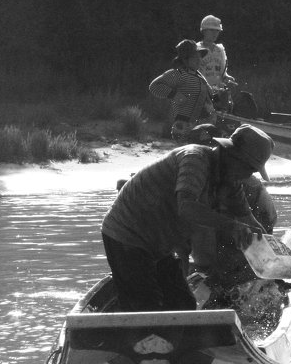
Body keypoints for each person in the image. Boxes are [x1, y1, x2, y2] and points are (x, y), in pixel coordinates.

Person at [100, 124, 274, 311]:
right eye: (251, 169)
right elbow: (187, 207)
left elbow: (249, 222)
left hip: (158, 245)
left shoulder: (231, 181)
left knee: (183, 304)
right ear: (234, 157)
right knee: (146, 306)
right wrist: (232, 226)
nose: (250, 176)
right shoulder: (195, 159)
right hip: (127, 235)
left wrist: (273, 255)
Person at [149, 39, 216, 143]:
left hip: (200, 125)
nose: (199, 60)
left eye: (200, 56)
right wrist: (175, 95)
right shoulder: (179, 74)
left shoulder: (199, 76)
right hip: (182, 126)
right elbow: (154, 86)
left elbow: (209, 95)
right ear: (185, 60)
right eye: (195, 57)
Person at [197, 14, 237, 110]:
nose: (215, 33)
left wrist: (227, 78)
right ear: (204, 31)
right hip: (203, 94)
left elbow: (223, 72)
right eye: (212, 30)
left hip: (219, 93)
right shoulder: (197, 49)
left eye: (217, 31)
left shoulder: (220, 50)